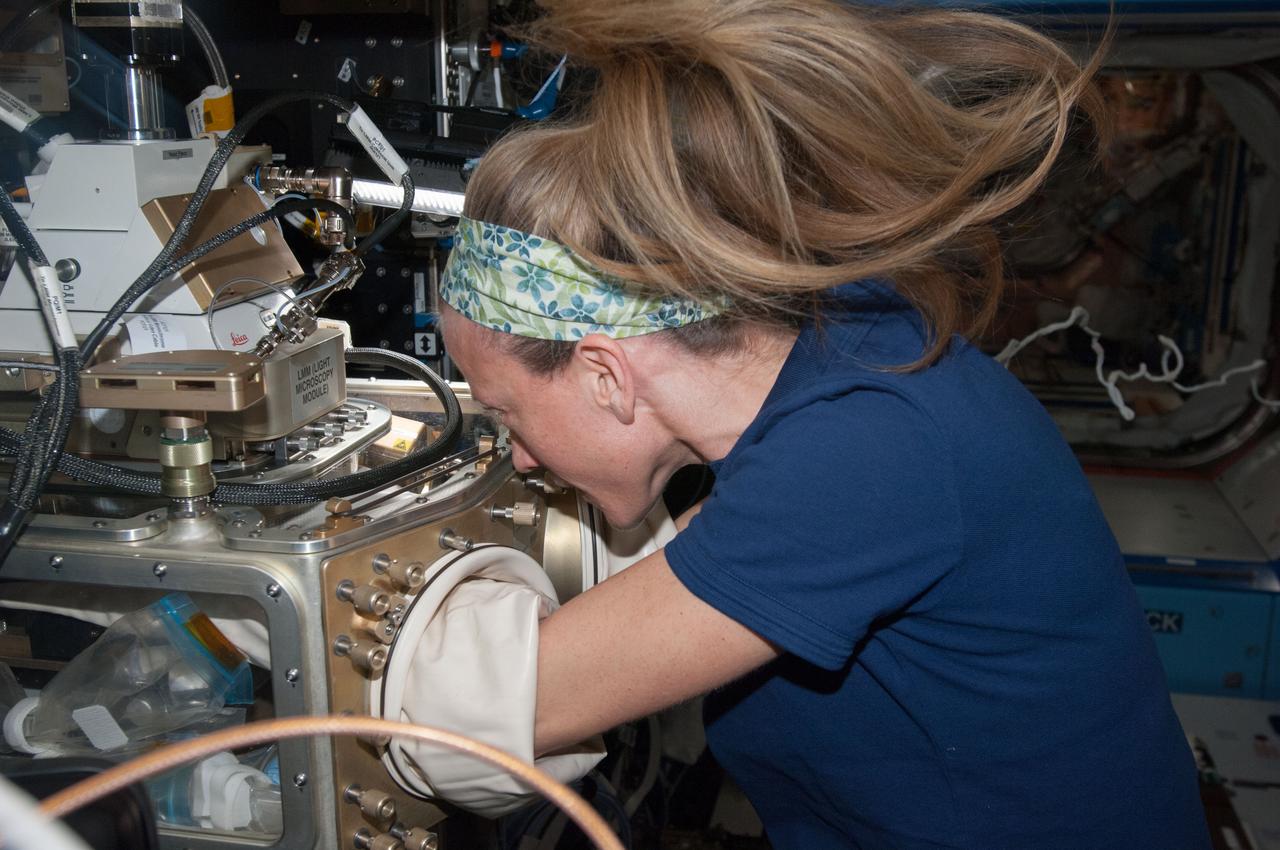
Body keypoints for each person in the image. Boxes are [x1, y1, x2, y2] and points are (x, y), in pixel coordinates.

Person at [436, 0, 1211, 846]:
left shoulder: (867, 453)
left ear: (606, 375)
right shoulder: (841, 350)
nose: (516, 451)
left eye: (507, 411)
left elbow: (482, 714)